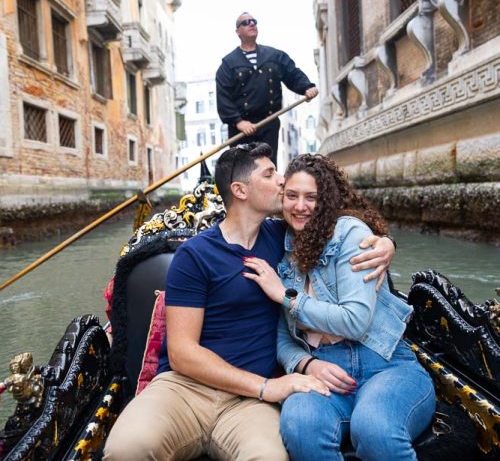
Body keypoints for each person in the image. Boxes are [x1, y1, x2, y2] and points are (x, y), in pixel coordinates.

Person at [104, 143, 396, 460]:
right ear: (241, 190)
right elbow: (182, 353)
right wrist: (266, 387)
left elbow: (343, 225)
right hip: (186, 389)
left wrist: (384, 242)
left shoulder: (285, 237)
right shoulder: (194, 255)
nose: (282, 181)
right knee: (125, 449)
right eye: (270, 174)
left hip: (250, 407)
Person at [243, 153, 436, 460]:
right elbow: (282, 338)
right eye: (291, 196)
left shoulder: (349, 233)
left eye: (311, 197)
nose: (300, 206)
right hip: (324, 370)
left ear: (327, 200)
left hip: (384, 364)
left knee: (373, 427)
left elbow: (355, 321)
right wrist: (307, 365)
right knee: (299, 425)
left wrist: (287, 297)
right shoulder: (284, 253)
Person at [216, 12, 318, 166]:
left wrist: (307, 87)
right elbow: (223, 96)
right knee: (244, 170)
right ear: (237, 31)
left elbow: (292, 73)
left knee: (267, 167)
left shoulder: (274, 56)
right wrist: (238, 122)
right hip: (241, 130)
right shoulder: (228, 63)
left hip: (269, 124)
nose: (251, 24)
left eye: (254, 21)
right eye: (246, 22)